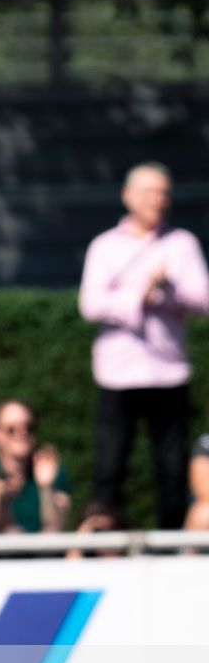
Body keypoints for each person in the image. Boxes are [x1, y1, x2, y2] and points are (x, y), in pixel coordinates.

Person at [79, 164, 209, 531]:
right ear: (128, 196)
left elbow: (202, 298)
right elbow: (91, 304)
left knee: (170, 468)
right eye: (151, 192)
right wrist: (138, 296)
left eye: (164, 193)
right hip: (118, 372)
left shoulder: (182, 244)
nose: (159, 200)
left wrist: (166, 291)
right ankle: (105, 543)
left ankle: (170, 541)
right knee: (110, 465)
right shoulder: (105, 246)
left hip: (167, 371)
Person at [0, 398, 72, 534]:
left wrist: (46, 488)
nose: (22, 433)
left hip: (42, 553)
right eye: (11, 429)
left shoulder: (53, 470)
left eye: (28, 427)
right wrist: (3, 500)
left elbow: (56, 528)